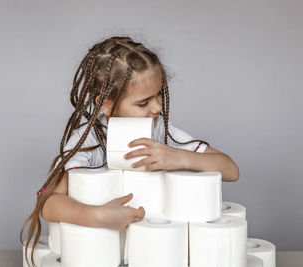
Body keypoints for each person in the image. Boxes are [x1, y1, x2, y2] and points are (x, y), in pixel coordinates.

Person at [20, 36, 239, 266]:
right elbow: (48, 204)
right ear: (105, 104)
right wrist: (97, 216)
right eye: (143, 103)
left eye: (159, 94)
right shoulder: (89, 141)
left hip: (154, 254)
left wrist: (178, 156)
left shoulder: (160, 132)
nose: (157, 108)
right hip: (99, 255)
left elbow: (231, 170)